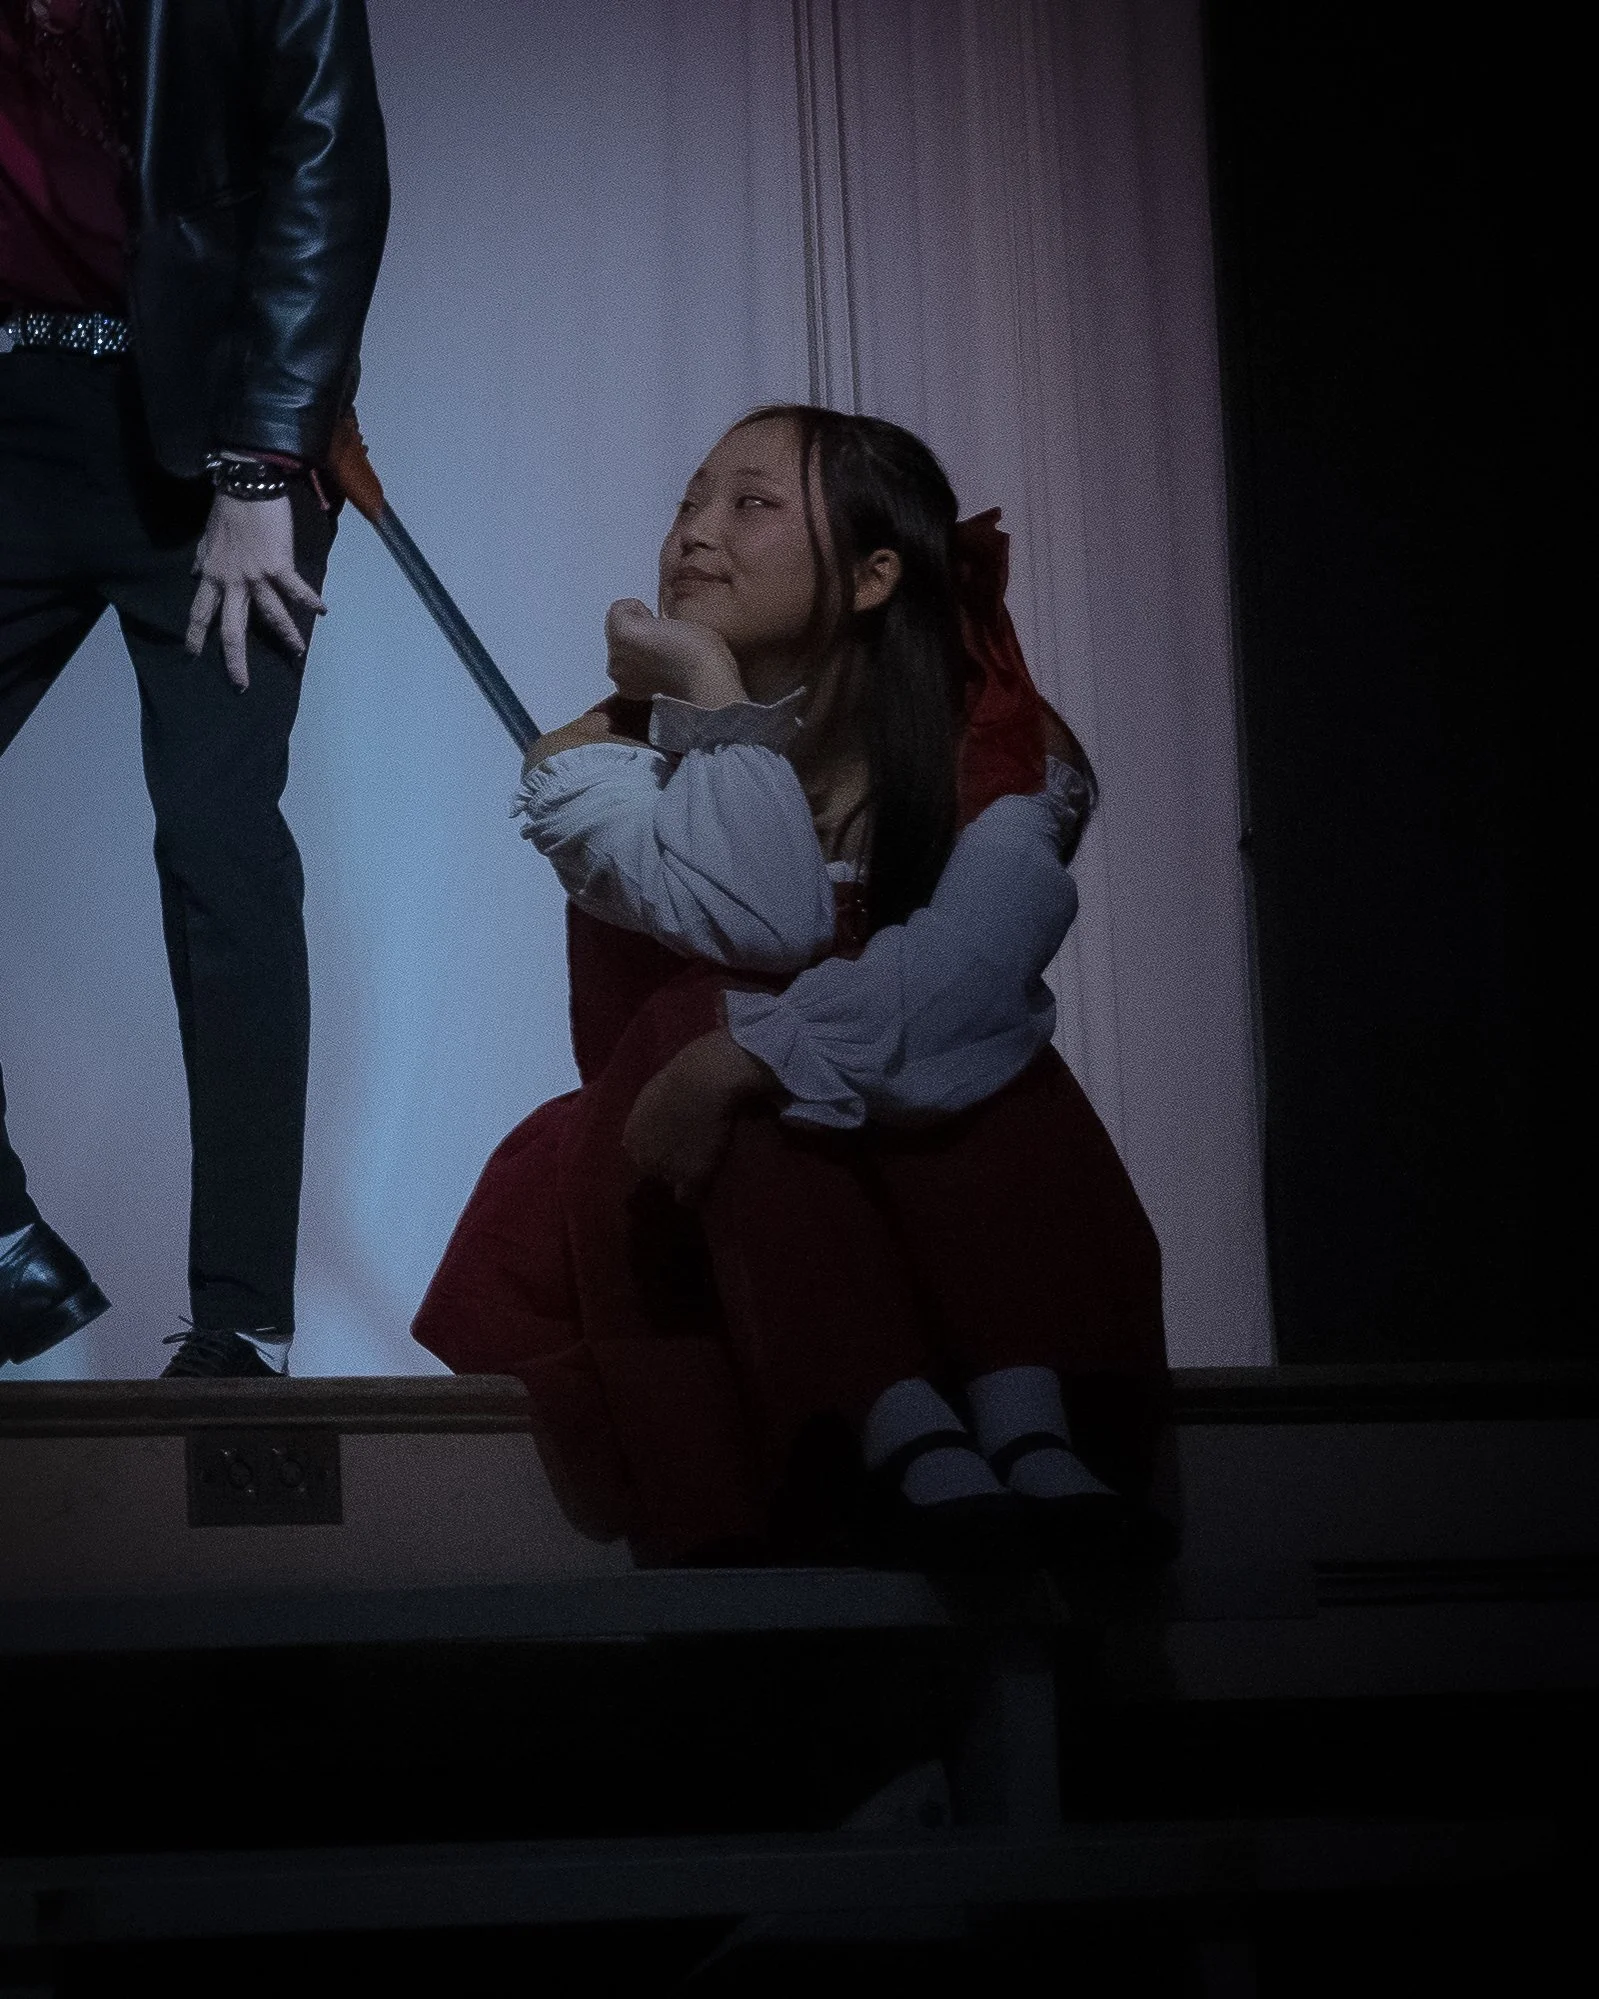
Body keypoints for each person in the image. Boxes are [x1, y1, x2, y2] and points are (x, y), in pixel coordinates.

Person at [413, 405, 1169, 1569]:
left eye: (750, 504)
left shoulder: (1010, 753)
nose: (693, 536)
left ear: (875, 576)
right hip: (693, 1208)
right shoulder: (594, 765)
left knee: (953, 1028)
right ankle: (908, 1440)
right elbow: (770, 921)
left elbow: (966, 977)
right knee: (696, 1016)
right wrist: (713, 693)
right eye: (687, 503)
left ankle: (1025, 1432)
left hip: (956, 1188)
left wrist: (746, 1056)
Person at [0, 0, 388, 1378]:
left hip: (208, 426)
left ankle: (241, 1320)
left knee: (218, 849)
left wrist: (262, 460)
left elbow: (323, 168)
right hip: (9, 418)